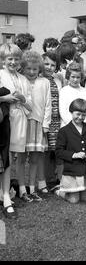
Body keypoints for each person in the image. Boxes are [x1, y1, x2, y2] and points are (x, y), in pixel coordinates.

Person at [17, 51, 51, 201]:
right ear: (23, 68)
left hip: (38, 124)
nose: (31, 72)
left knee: (35, 158)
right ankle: (22, 189)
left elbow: (48, 104)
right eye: (28, 69)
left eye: (35, 69)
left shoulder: (44, 82)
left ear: (39, 69)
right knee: (21, 158)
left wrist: (46, 124)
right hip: (22, 123)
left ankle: (32, 188)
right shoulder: (20, 80)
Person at [55, 99, 86, 204]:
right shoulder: (64, 131)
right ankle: (60, 191)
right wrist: (74, 155)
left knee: (84, 199)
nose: (80, 117)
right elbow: (59, 151)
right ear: (71, 112)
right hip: (73, 170)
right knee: (74, 200)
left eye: (83, 115)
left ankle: (82, 191)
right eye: (78, 114)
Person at [0, 44, 32, 202]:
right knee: (4, 156)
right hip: (4, 119)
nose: (13, 62)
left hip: (20, 119)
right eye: (9, 59)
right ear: (3, 60)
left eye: (16, 59)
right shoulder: (0, 75)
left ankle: (20, 187)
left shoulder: (23, 79)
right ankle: (3, 191)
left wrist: (23, 98)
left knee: (19, 155)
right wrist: (6, 98)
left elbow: (30, 105)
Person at [42, 51, 63, 186]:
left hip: (57, 120)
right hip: (44, 119)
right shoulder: (39, 79)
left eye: (52, 65)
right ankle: (45, 178)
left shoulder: (57, 80)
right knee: (45, 150)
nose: (49, 67)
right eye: (46, 64)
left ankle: (57, 177)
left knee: (56, 149)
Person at [0, 81, 16, 218]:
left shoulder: (4, 91)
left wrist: (4, 98)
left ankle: (6, 198)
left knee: (5, 163)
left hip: (2, 133)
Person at [59, 62, 86, 128]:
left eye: (78, 77)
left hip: (83, 127)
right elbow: (63, 111)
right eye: (73, 77)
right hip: (68, 126)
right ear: (68, 76)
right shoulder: (64, 91)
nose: (75, 80)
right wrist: (74, 125)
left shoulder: (85, 91)